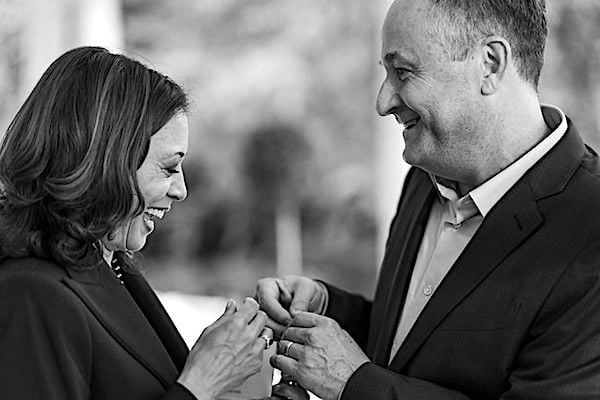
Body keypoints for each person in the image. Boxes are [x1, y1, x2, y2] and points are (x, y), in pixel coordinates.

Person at [256, 0, 600, 399]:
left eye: (402, 72)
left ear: (489, 63)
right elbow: (418, 343)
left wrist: (354, 384)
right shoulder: (425, 177)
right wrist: (327, 307)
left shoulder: (590, 230)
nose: (383, 102)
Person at [0, 46, 271, 400]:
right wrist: (202, 383)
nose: (181, 190)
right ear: (106, 160)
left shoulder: (110, 268)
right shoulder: (30, 294)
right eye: (169, 167)